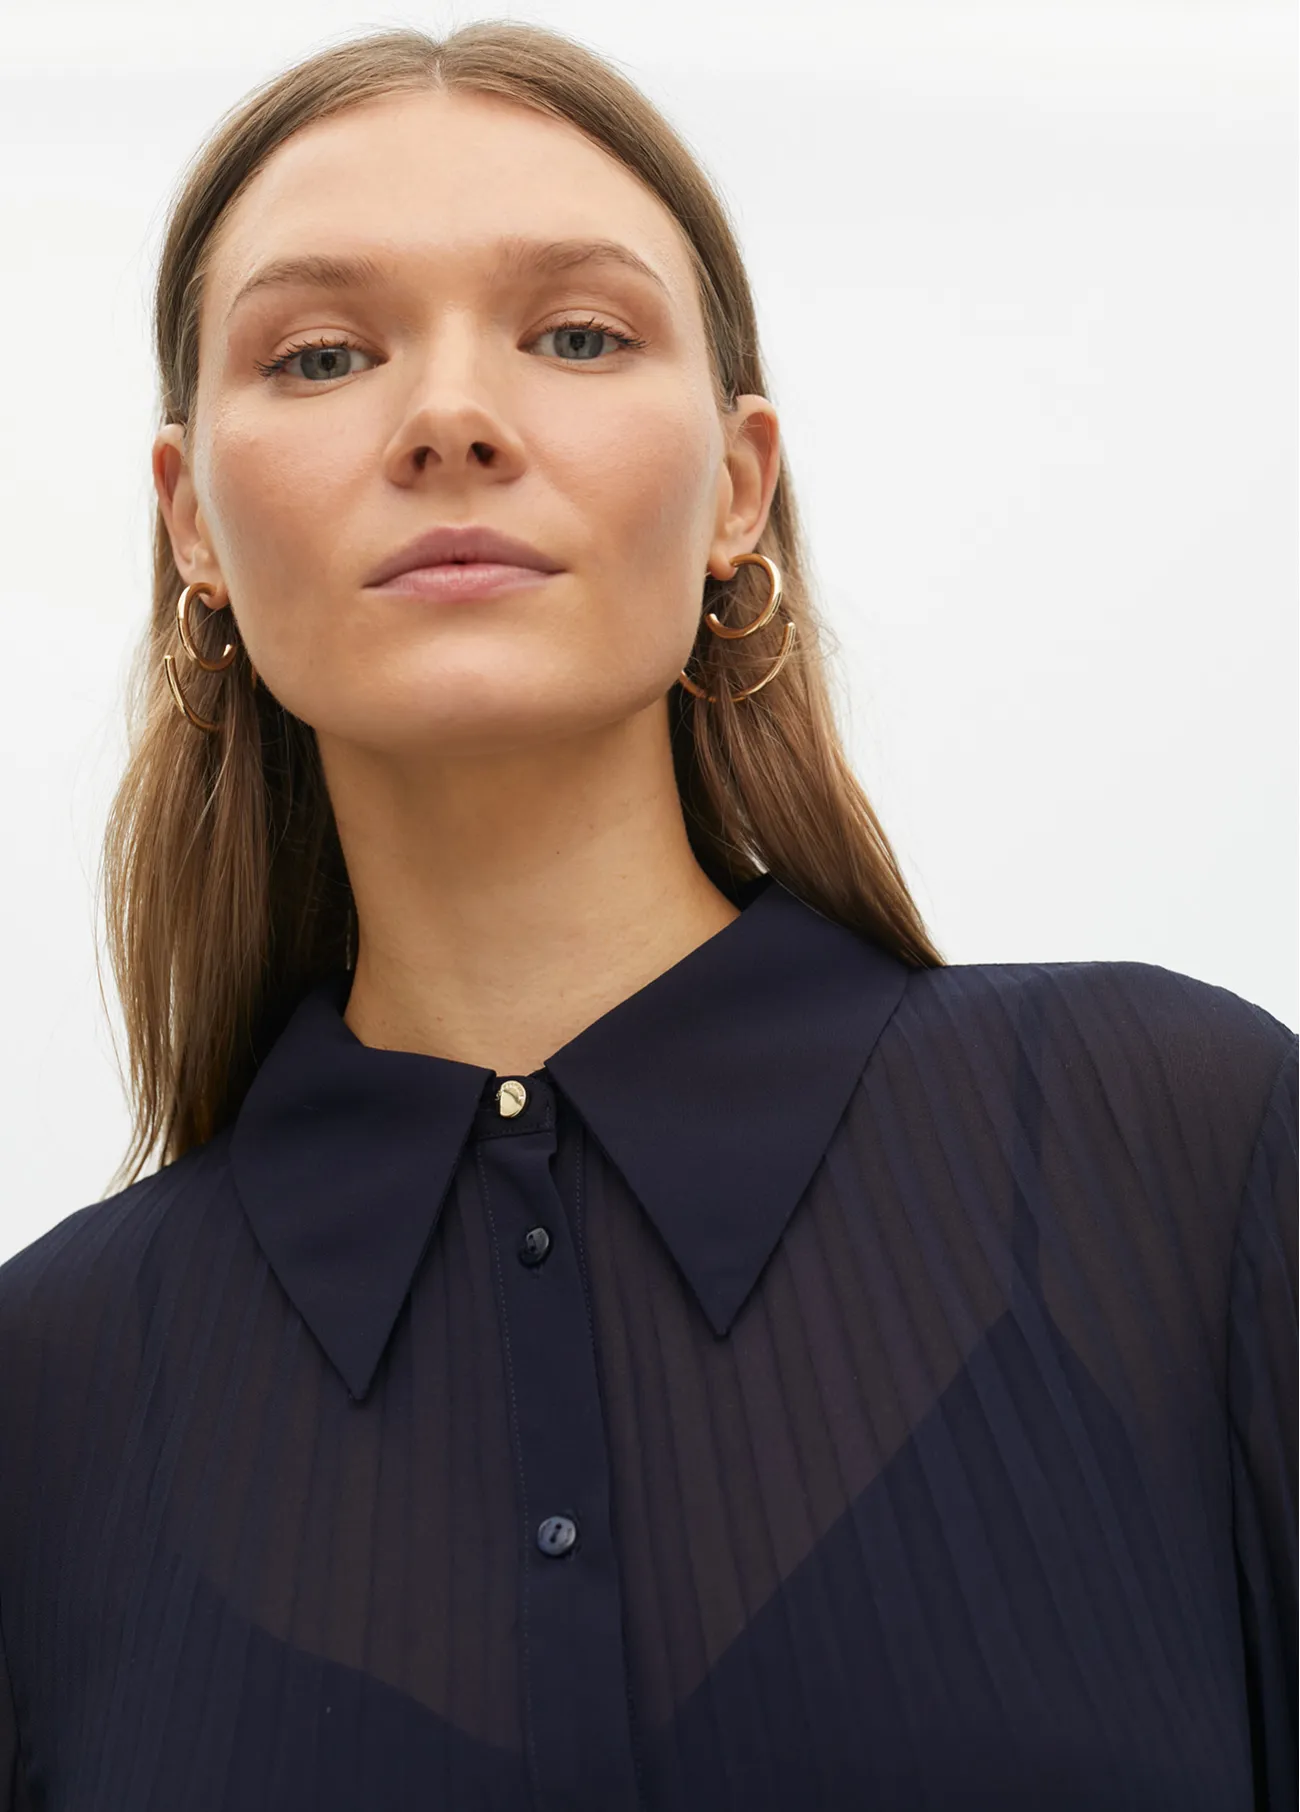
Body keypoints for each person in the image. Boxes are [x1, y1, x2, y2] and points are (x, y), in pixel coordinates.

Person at [0, 21, 1293, 1811]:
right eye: (322, 355)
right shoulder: (47, 1397)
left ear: (739, 486)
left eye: (579, 336)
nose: (450, 419)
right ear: (190, 523)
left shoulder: (1184, 1150)